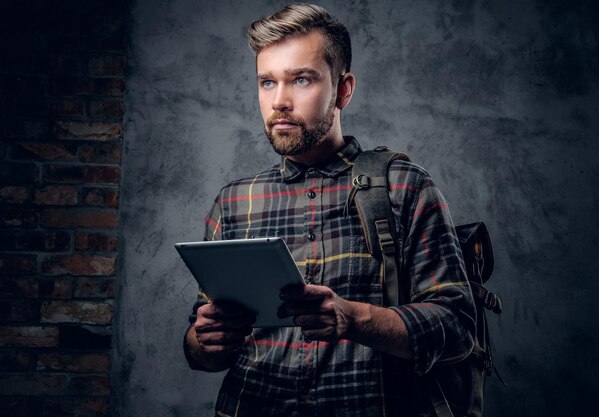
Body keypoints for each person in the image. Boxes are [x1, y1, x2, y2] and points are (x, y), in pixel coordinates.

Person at [184, 4, 476, 416]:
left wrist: (353, 318)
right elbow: (201, 351)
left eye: (301, 79)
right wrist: (205, 339)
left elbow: (458, 329)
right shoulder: (235, 201)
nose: (279, 101)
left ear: (343, 89)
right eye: (267, 83)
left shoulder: (405, 186)